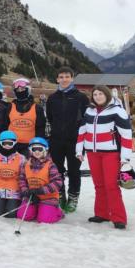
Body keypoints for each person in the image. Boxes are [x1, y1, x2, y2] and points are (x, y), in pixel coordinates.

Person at [76, 85, 133, 229]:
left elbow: (126, 135)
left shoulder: (117, 111)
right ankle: (102, 214)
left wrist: (125, 158)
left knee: (111, 185)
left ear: (107, 95)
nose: (98, 97)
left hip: (110, 154)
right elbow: (82, 130)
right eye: (95, 94)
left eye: (100, 94)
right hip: (92, 153)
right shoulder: (89, 110)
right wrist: (79, 150)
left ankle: (119, 218)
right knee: (99, 185)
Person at [45, 66, 89, 213]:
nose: (64, 79)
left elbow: (86, 119)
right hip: (56, 140)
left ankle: (73, 197)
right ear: (57, 79)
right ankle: (60, 195)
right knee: (57, 171)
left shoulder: (81, 97)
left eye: (67, 76)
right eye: (61, 77)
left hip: (76, 141)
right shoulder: (52, 98)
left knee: (74, 170)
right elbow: (50, 118)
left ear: (72, 78)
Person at [17, 136, 64, 224]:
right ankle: (38, 209)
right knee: (23, 216)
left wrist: (40, 191)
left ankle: (58, 212)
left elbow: (57, 183)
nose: (37, 152)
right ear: (30, 150)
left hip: (48, 197)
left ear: (45, 150)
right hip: (32, 196)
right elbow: (22, 179)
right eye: (34, 149)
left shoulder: (50, 165)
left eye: (40, 149)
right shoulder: (26, 164)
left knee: (44, 220)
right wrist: (26, 191)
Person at [7, 78, 46, 154]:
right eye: (17, 90)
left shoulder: (37, 108)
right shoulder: (9, 107)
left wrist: (38, 145)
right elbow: (5, 125)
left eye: (23, 88)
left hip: (29, 146)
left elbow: (40, 128)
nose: (20, 91)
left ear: (28, 90)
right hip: (11, 145)